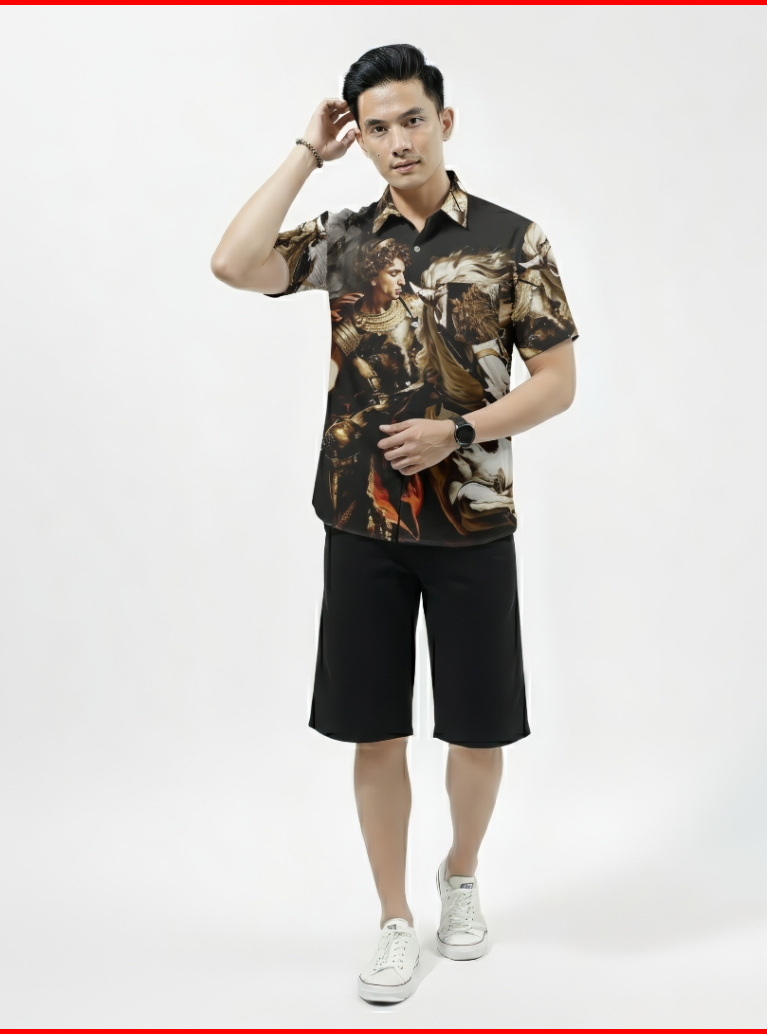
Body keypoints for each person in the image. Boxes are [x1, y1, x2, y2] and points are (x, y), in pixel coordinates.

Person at [210, 43, 578, 1003]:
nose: (398, 141)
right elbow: (233, 263)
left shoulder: (512, 240)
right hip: (360, 521)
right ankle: (392, 918)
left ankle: (461, 875)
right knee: (375, 731)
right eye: (377, 128)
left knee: (478, 729)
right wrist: (307, 152)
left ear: (444, 122)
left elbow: (557, 383)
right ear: (362, 139)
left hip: (472, 523)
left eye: (412, 120)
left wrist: (460, 429)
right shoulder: (345, 239)